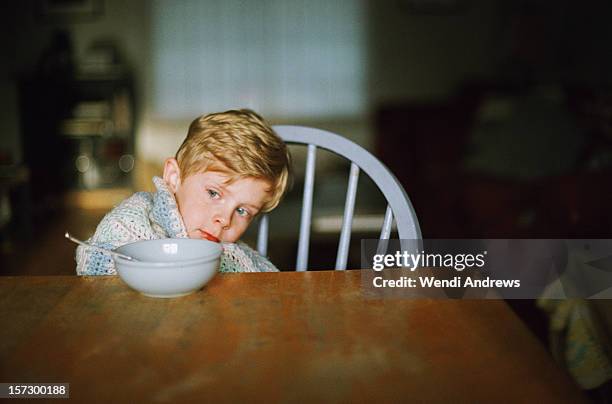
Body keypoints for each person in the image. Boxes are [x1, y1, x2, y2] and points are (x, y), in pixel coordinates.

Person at [76, 109, 291, 274]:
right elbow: (95, 264)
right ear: (174, 178)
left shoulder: (235, 257)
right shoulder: (131, 223)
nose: (225, 220)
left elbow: (268, 284)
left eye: (243, 211)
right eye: (214, 193)